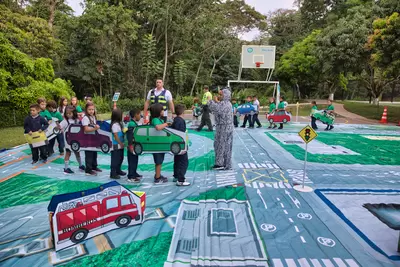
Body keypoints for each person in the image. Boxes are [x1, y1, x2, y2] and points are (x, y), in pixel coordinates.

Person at [208, 88, 233, 170]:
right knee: (224, 145)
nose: (219, 96)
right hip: (224, 127)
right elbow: (219, 107)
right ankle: (225, 163)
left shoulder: (225, 104)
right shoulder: (226, 103)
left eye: (221, 95)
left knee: (221, 145)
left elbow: (217, 109)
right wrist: (216, 102)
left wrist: (210, 101)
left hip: (224, 127)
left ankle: (220, 163)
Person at [59, 106, 85, 173]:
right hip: (68, 141)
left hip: (76, 140)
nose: (68, 115)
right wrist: (59, 128)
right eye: (67, 114)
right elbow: (59, 127)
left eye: (70, 113)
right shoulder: (65, 121)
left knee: (77, 152)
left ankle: (80, 165)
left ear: (74, 113)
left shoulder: (77, 120)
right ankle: (66, 168)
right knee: (68, 153)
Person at [150, 103, 171, 183]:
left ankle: (158, 174)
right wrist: (166, 124)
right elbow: (158, 127)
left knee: (160, 161)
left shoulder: (159, 119)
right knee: (158, 161)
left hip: (160, 143)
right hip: (157, 144)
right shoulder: (155, 120)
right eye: (162, 110)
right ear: (158, 111)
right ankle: (157, 178)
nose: (163, 111)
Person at [171, 104, 191, 186]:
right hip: (180, 145)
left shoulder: (175, 120)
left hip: (176, 145)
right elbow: (181, 134)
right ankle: (181, 179)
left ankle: (176, 176)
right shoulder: (181, 121)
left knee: (177, 161)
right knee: (183, 162)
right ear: (183, 113)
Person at [82, 102, 102, 176]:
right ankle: (88, 170)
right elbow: (86, 129)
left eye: (92, 109)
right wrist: (94, 128)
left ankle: (94, 166)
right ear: (86, 110)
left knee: (94, 153)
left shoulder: (93, 117)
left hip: (93, 138)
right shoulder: (85, 118)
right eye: (89, 109)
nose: (91, 111)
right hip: (87, 139)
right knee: (89, 154)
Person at [126, 108, 143, 183]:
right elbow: (130, 137)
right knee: (132, 161)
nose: (140, 116)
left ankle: (134, 173)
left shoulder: (133, 123)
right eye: (139, 114)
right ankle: (131, 176)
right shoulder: (131, 125)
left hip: (134, 146)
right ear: (136, 115)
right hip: (132, 146)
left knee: (135, 160)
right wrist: (130, 146)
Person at [110, 108, 126, 179]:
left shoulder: (120, 123)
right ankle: (113, 173)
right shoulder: (114, 125)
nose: (123, 116)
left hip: (120, 144)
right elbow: (116, 136)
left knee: (120, 158)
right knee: (115, 159)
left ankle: (118, 170)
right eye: (122, 114)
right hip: (116, 145)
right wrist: (121, 143)